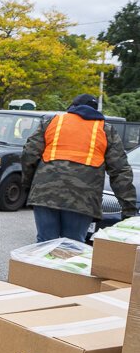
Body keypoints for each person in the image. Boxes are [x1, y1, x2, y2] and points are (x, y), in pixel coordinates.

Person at [21, 93, 137, 243]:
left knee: (45, 242)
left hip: (45, 193)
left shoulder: (52, 122)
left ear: (72, 107)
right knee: (72, 245)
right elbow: (120, 172)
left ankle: (42, 266)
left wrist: (28, 186)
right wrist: (128, 209)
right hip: (82, 198)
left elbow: (29, 155)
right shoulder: (105, 130)